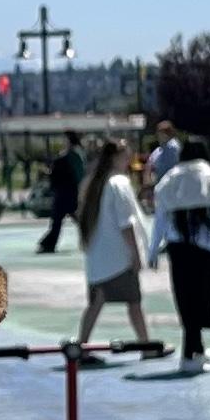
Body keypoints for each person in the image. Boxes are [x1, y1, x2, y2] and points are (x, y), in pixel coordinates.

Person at [148, 140, 210, 374]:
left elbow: (160, 218)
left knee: (185, 300)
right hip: (205, 249)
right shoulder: (209, 175)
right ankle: (191, 354)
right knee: (204, 299)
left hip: (178, 248)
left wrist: (153, 250)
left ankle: (195, 351)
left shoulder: (170, 178)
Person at [75, 139, 153, 361]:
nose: (129, 159)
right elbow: (126, 223)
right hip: (118, 257)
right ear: (116, 158)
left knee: (96, 302)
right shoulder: (119, 183)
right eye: (126, 155)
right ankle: (146, 346)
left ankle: (81, 346)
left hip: (99, 257)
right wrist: (136, 254)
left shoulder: (95, 184)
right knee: (134, 301)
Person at [36, 130, 85, 253]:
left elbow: (77, 175)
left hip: (67, 194)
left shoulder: (72, 156)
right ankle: (48, 244)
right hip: (67, 194)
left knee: (61, 221)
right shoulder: (72, 155)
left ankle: (48, 244)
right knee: (71, 221)